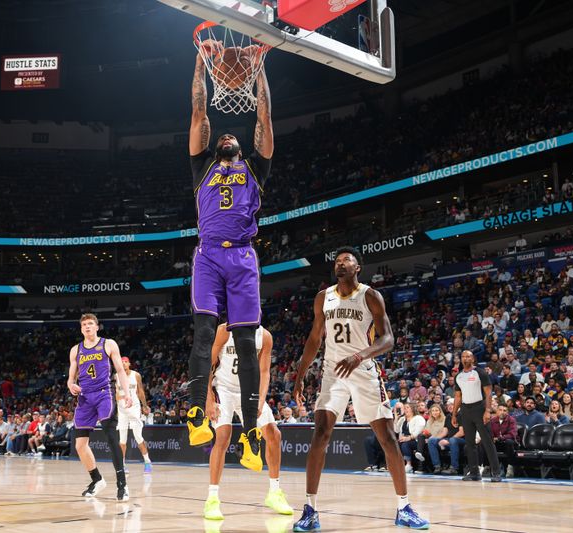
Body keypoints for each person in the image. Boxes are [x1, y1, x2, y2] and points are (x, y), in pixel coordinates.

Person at [185, 37, 274, 473]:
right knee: (204, 334)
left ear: (239, 146)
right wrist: (201, 62)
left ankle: (252, 435)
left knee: (246, 342)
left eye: (229, 135)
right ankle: (196, 416)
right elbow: (200, 110)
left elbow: (264, 116)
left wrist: (259, 67)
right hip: (206, 256)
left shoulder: (254, 166)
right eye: (220, 135)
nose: (224, 134)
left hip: (242, 258)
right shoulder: (202, 165)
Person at [292, 247, 429, 531]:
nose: (340, 264)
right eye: (337, 261)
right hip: (333, 371)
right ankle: (310, 509)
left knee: (388, 439)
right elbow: (314, 339)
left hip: (364, 370)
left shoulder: (370, 296)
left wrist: (359, 356)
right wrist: (300, 374)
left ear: (358, 268)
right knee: (320, 432)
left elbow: (388, 338)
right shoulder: (323, 297)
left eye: (346, 260)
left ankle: (404, 507)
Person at [203, 323, 292, 520]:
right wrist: (208, 398)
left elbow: (264, 372)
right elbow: (207, 364)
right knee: (223, 437)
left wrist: (261, 400)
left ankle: (275, 493)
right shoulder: (224, 330)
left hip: (248, 390)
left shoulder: (264, 336)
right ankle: (212, 499)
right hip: (223, 389)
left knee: (274, 435)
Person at [67, 313, 133, 500]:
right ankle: (97, 479)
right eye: (84, 325)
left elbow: (120, 370)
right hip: (85, 397)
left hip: (105, 393)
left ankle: (122, 484)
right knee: (80, 445)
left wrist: (127, 394)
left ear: (97, 327)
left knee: (111, 436)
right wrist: (71, 385)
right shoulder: (75, 350)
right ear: (81, 329)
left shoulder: (108, 344)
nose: (87, 327)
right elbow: (71, 378)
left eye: (90, 324)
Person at [451, 350, 501, 482]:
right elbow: (457, 397)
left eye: (468, 356)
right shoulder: (458, 376)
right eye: (463, 356)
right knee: (469, 443)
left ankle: (495, 472)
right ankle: (474, 473)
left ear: (472, 359)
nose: (465, 358)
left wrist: (487, 410)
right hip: (465, 410)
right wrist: (454, 414)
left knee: (487, 442)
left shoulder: (480, 372)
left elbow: (489, 392)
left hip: (480, 408)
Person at [116, 356, 153, 473]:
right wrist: (124, 397)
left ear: (129, 364)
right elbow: (116, 395)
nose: (124, 364)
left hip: (134, 408)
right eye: (122, 362)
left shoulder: (136, 375)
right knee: (122, 440)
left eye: (125, 362)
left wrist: (145, 406)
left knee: (138, 437)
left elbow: (140, 392)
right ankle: (122, 465)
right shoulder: (116, 376)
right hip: (122, 410)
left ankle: (147, 461)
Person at [487, 405, 518, 478]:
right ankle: (486, 467)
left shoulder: (512, 420)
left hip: (507, 443)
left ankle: (510, 467)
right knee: (485, 443)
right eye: (500, 410)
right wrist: (492, 439)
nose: (502, 412)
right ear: (497, 411)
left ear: (507, 412)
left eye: (505, 410)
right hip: (496, 443)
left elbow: (512, 434)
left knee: (509, 442)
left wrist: (499, 438)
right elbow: (489, 433)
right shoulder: (492, 420)